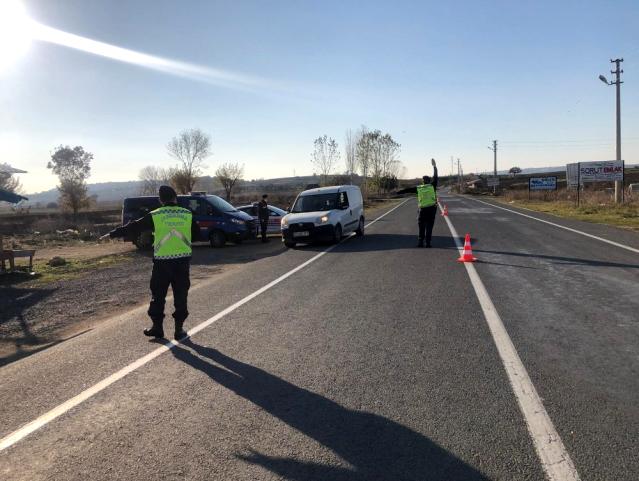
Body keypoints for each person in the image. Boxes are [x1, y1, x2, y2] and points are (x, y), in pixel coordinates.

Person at [106, 185, 199, 340]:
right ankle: (179, 330)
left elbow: (135, 226)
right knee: (180, 296)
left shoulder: (156, 215)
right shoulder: (187, 214)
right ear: (175, 197)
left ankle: (157, 328)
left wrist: (116, 232)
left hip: (162, 263)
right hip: (182, 262)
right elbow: (196, 235)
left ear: (160, 200)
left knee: (158, 295)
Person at [397, 159, 438, 248]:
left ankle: (420, 242)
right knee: (429, 227)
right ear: (429, 180)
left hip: (422, 210)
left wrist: (398, 192)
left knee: (421, 227)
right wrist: (434, 167)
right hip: (431, 210)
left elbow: (407, 190)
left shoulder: (419, 188)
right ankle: (428, 243)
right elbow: (436, 177)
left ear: (422, 181)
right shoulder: (432, 186)